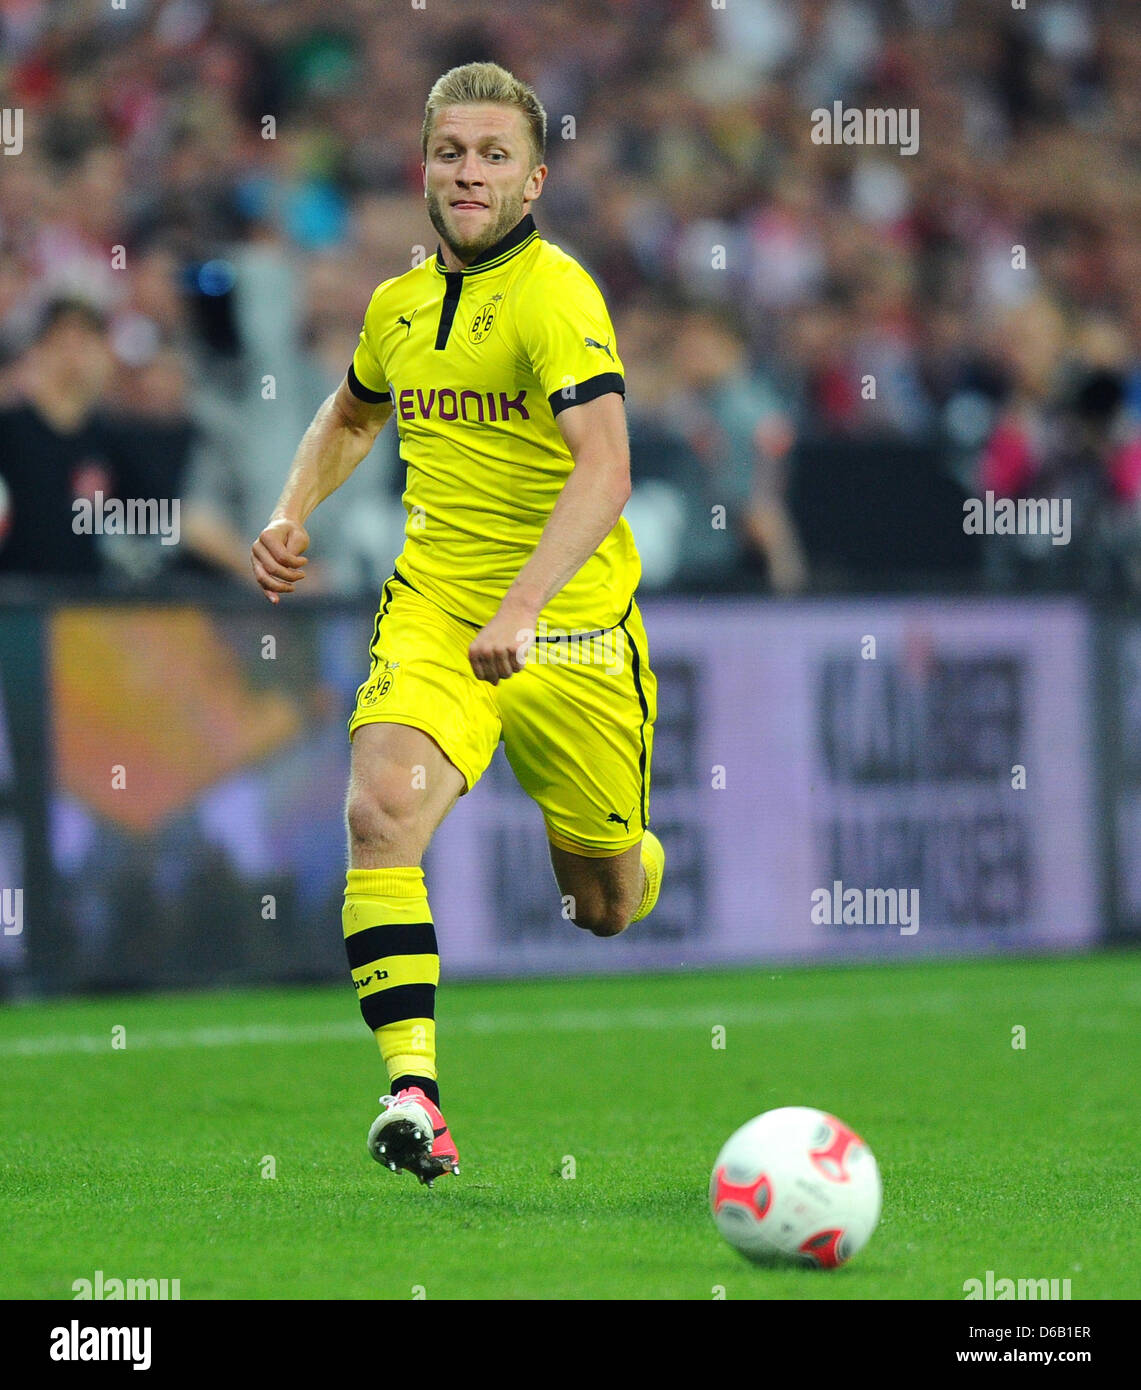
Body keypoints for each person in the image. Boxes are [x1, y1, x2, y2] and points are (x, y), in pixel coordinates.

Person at [251, 62, 664, 1185]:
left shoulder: (556, 296)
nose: (467, 172)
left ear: (533, 181)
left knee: (604, 904)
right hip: (437, 612)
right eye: (450, 152)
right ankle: (413, 1095)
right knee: (378, 813)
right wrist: (291, 512)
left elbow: (609, 465)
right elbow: (347, 414)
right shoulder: (395, 307)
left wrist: (526, 604)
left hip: (570, 634)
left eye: (491, 156)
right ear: (420, 167)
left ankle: (630, 853)